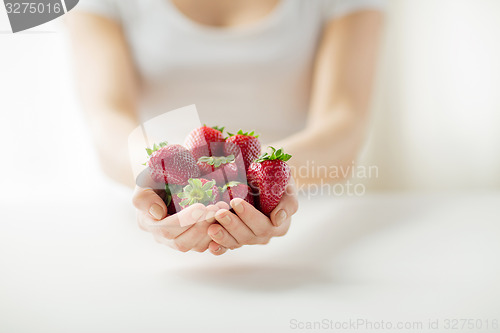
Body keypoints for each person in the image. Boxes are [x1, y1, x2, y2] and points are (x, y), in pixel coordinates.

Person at [65, 0, 384, 255]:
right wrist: (157, 181)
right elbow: (108, 118)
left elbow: (344, 123)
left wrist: (264, 180)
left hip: (305, 223)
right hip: (156, 220)